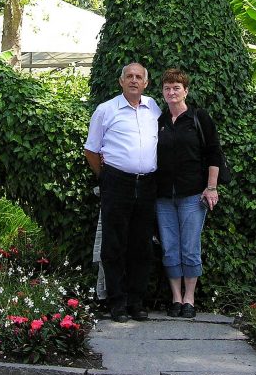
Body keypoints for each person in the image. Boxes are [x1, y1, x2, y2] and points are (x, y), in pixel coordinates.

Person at [84, 62, 160, 323]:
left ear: (146, 83)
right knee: (114, 243)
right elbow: (91, 150)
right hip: (116, 182)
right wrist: (105, 178)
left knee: (142, 245)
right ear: (121, 81)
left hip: (148, 183)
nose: (134, 80)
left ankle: (136, 302)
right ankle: (116, 302)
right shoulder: (106, 110)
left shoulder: (154, 109)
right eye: (129, 76)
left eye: (139, 77)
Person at [154, 68, 223, 319]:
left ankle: (189, 299)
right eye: (167, 88)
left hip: (193, 195)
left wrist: (212, 186)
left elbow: (214, 153)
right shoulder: (159, 121)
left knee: (190, 248)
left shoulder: (198, 118)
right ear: (162, 92)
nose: (172, 92)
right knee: (170, 248)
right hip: (163, 196)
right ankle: (175, 297)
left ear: (186, 91)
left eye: (176, 88)